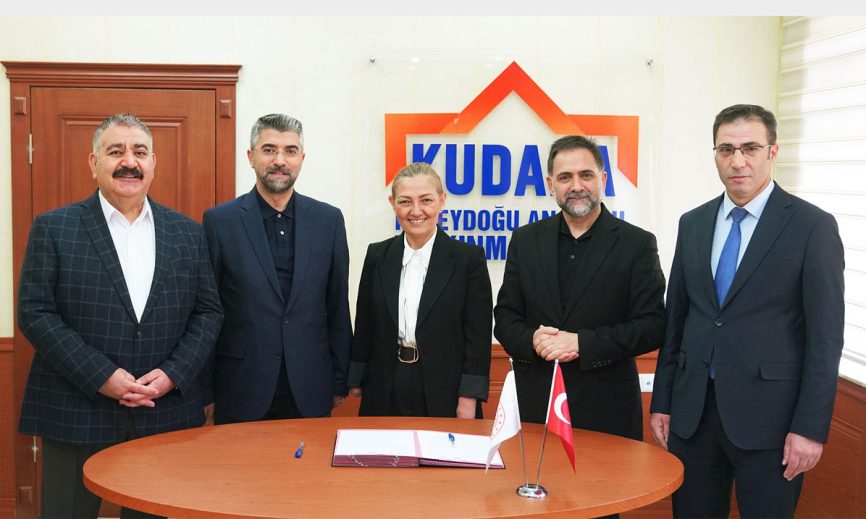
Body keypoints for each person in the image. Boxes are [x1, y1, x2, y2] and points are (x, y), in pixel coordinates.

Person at [17, 113, 223, 518]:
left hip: (163, 412)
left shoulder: (188, 232)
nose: (129, 161)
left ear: (153, 163)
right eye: (116, 151)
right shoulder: (54, 228)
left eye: (140, 152)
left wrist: (174, 374)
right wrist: (102, 377)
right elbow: (35, 312)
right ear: (94, 163)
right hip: (77, 408)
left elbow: (208, 311)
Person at [650, 104, 845, 518]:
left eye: (750, 148)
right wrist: (662, 402)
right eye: (726, 149)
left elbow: (825, 339)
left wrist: (809, 428)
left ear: (773, 152)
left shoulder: (812, 226)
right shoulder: (693, 223)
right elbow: (677, 321)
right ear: (715, 154)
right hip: (693, 416)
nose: (737, 161)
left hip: (772, 423)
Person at [494, 135, 665, 439]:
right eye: (565, 177)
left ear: (603, 179)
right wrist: (533, 339)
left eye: (585, 175)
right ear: (550, 185)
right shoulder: (525, 240)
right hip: (535, 407)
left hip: (608, 412)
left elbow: (652, 326)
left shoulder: (637, 243)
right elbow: (505, 318)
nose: (576, 186)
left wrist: (582, 343)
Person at [202, 114, 351, 423]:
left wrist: (340, 379)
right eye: (269, 149)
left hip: (310, 386)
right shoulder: (220, 221)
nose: (280, 160)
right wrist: (204, 389)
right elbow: (207, 311)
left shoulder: (329, 220)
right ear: (251, 156)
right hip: (240, 386)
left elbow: (338, 305)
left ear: (302, 159)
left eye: (290, 151)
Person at [348, 162, 492, 418]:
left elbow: (478, 336)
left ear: (441, 200)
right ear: (393, 204)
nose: (416, 211)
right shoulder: (378, 255)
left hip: (445, 389)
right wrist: (356, 378)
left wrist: (469, 397)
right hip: (384, 384)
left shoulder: (468, 259)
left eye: (426, 200)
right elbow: (365, 323)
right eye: (405, 202)